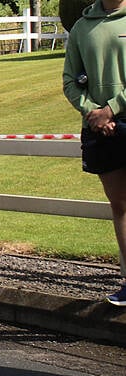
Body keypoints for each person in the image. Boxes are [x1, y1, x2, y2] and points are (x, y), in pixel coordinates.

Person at [63, 0, 126, 305]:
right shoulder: (81, 27)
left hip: (114, 116)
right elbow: (70, 81)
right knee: (120, 206)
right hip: (98, 125)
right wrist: (94, 113)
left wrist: (112, 109)